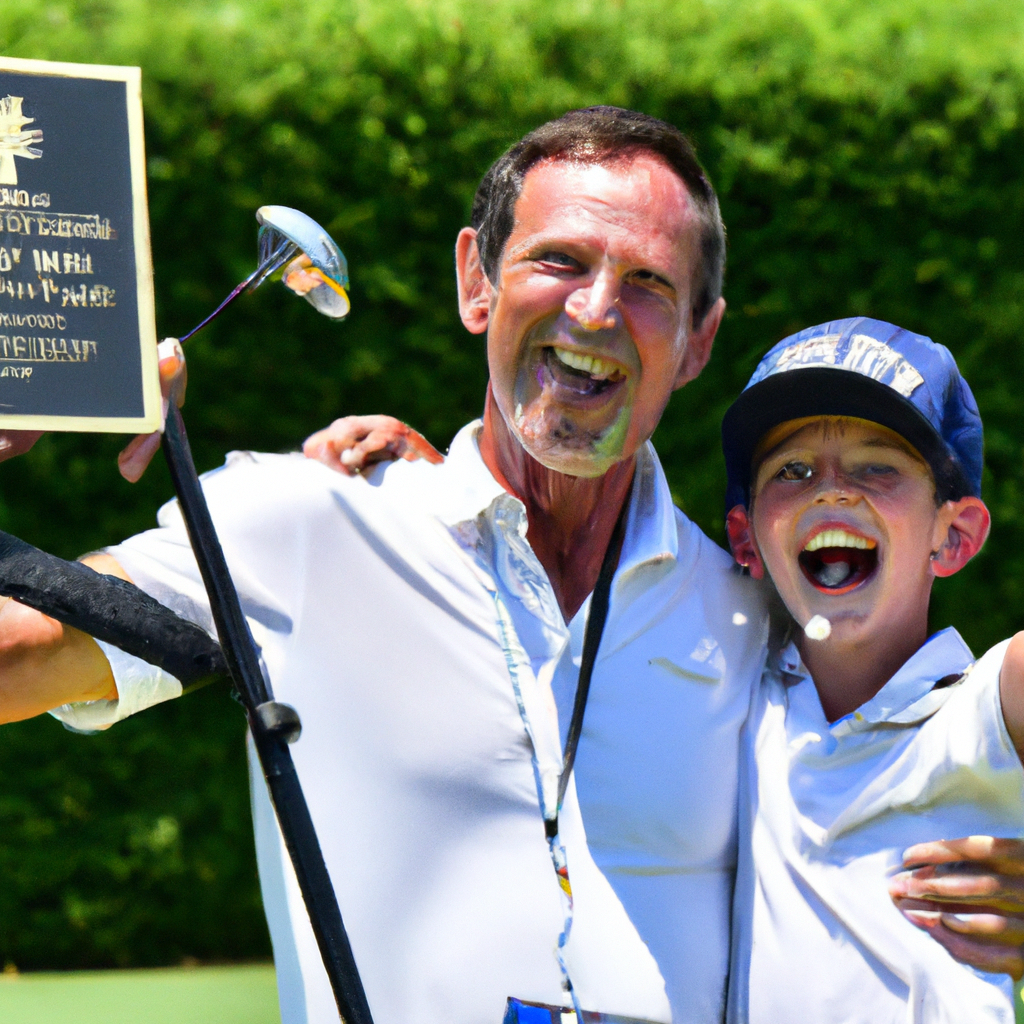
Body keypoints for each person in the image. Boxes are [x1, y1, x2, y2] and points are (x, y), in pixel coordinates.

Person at [0, 109, 1019, 1022]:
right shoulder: (300, 523)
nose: (593, 310)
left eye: (649, 284)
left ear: (700, 341)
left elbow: (889, 802)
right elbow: (17, 661)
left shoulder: (759, 616)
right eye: (559, 262)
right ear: (475, 283)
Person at [720, 317, 1022, 1021]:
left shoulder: (985, 711)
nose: (832, 491)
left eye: (876, 466)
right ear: (747, 540)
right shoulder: (727, 696)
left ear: (953, 536)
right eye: (791, 471)